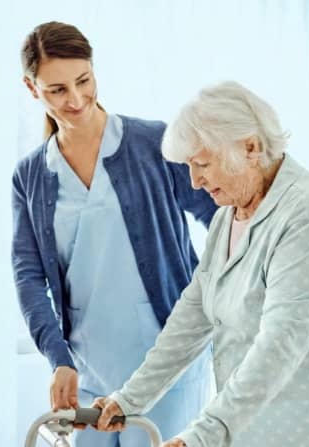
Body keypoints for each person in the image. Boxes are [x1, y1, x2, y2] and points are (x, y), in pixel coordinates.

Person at [91, 80, 309, 447]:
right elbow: (194, 314)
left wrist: (202, 435)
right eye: (189, 167)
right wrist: (130, 398)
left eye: (203, 164)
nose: (194, 182)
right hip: (259, 427)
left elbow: (280, 344)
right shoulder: (230, 214)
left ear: (250, 147)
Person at [11, 21, 217, 446]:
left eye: (83, 81)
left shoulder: (154, 144)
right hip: (88, 371)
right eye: (57, 90)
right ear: (32, 89)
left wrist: (221, 304)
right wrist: (58, 358)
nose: (76, 99)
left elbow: (224, 222)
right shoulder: (31, 176)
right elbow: (29, 277)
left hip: (168, 365)